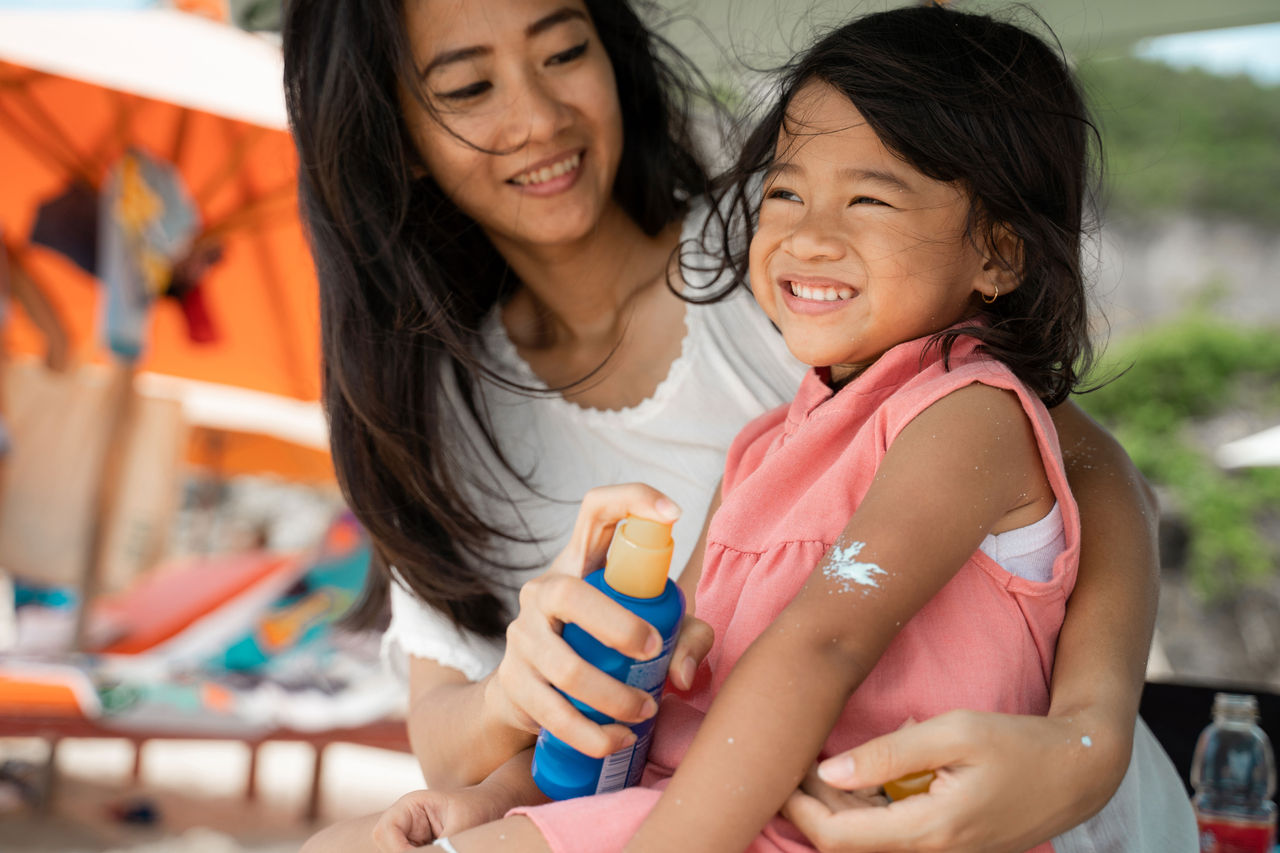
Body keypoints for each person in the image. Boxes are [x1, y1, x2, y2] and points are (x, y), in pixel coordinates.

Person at [283, 1, 1189, 850]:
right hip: (685, 803)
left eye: (564, 52)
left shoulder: (875, 334)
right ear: (392, 135)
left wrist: (1089, 738)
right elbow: (669, 689)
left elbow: (1077, 473)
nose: (538, 115)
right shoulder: (756, 430)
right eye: (469, 87)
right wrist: (501, 774)